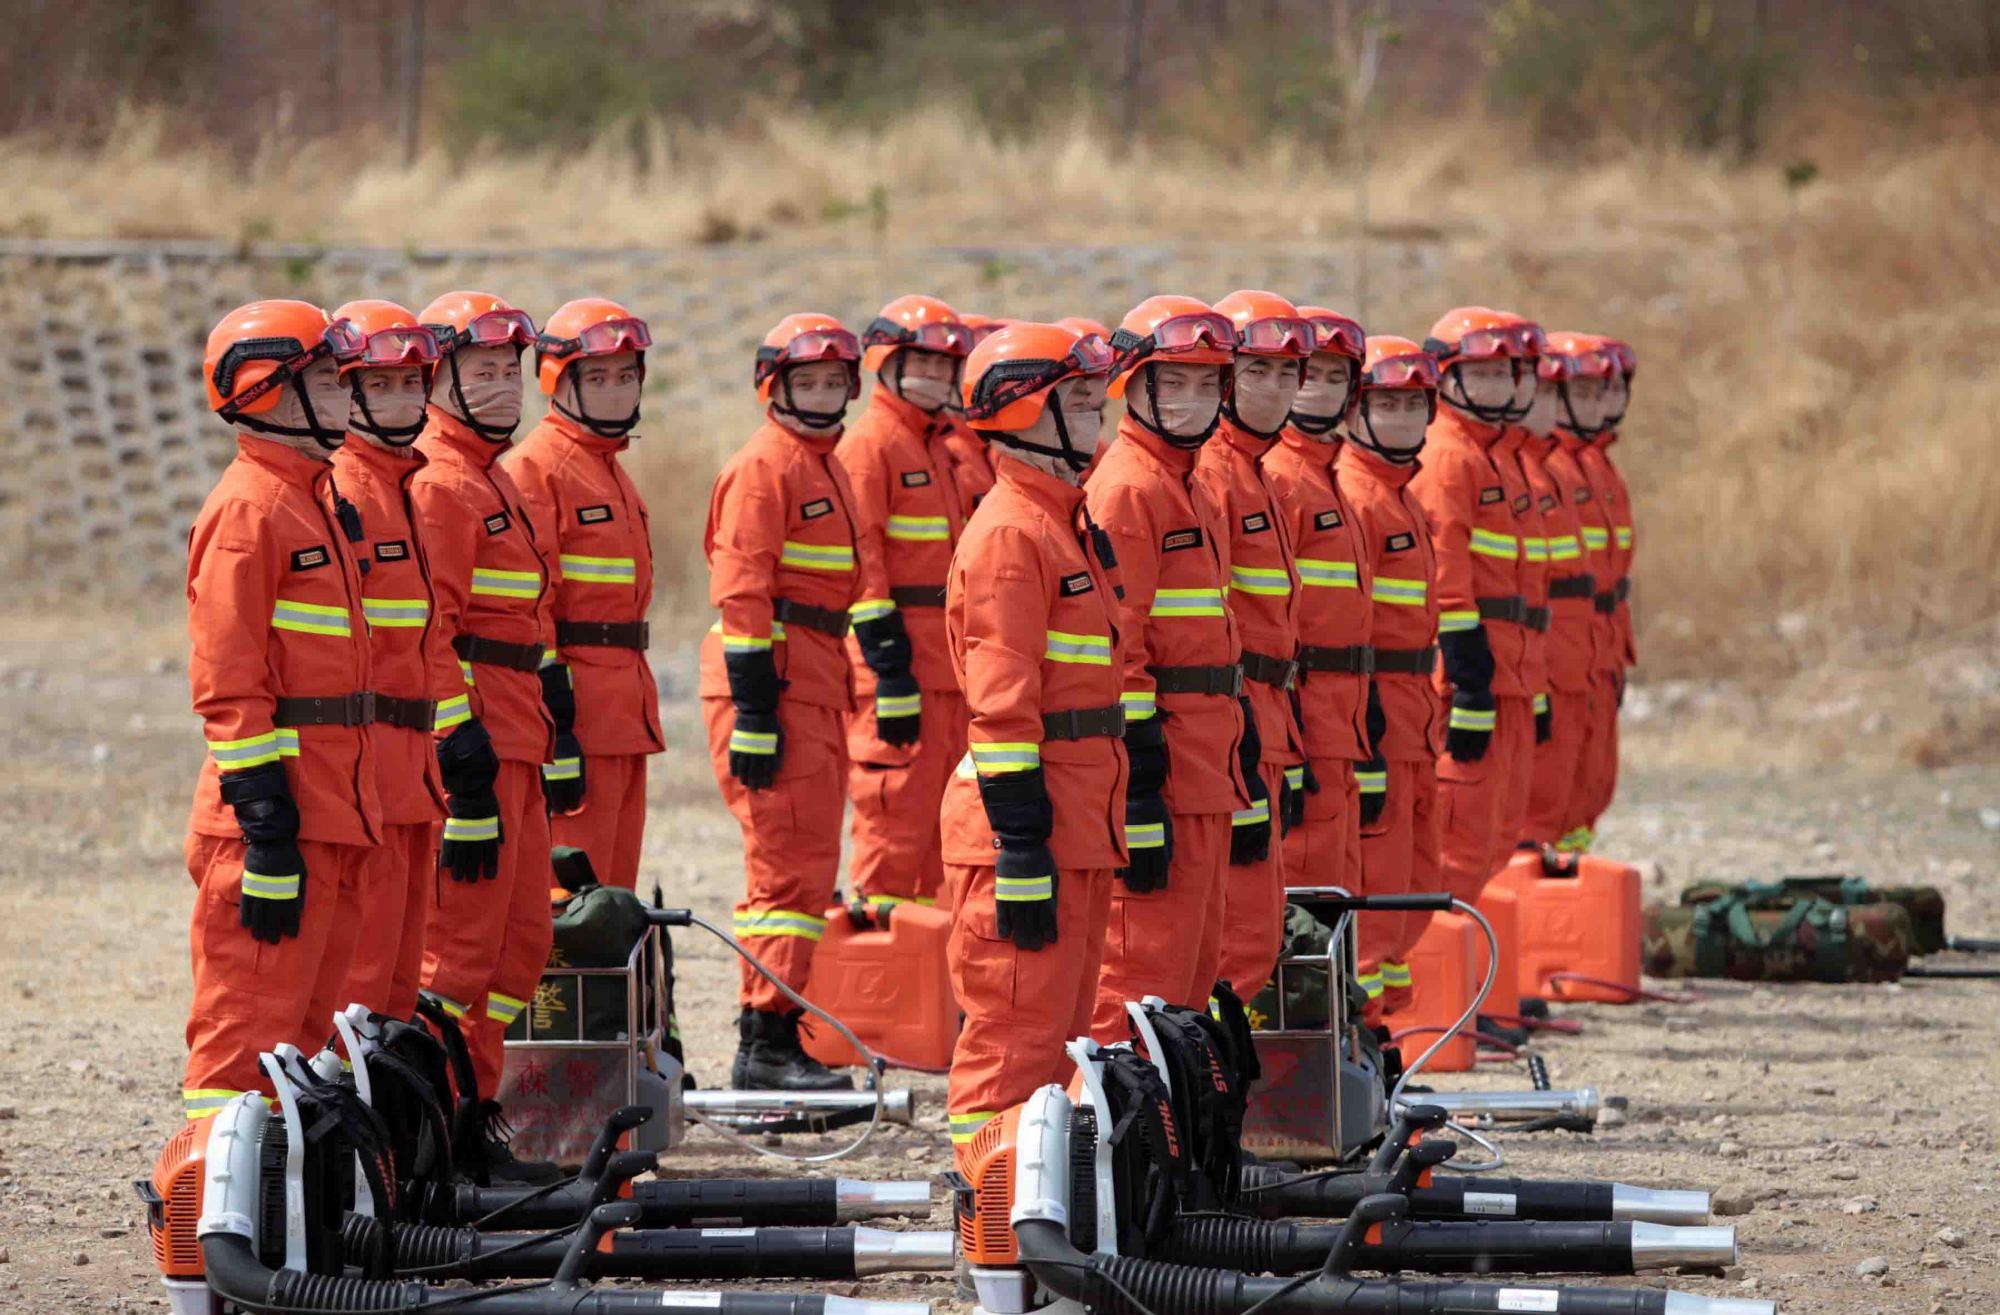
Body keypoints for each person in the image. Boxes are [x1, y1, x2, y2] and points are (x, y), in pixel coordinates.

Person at [182, 300, 379, 1121]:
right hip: (277, 820)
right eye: (331, 379)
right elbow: (229, 684)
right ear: (270, 390)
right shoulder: (251, 509)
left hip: (330, 811)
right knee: (245, 1035)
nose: (347, 393)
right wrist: (265, 825)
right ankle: (211, 1233)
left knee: (300, 1036)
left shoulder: (315, 500)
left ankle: (283, 1220)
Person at [938, 321, 1125, 1161]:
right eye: (1080, 400)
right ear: (1025, 413)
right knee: (1011, 1040)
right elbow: (1003, 707)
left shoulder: (1062, 521)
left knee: (1054, 1040)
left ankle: (1030, 1213)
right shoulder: (1014, 534)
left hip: (1073, 821)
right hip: (1029, 828)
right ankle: (987, 1219)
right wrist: (1020, 845)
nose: (1099, 415)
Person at [701, 313, 879, 1089]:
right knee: (783, 868)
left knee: (808, 867)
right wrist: (756, 709)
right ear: (774, 388)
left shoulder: (823, 462)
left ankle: (776, 1027)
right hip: (773, 679)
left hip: (810, 672)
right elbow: (741, 593)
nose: (822, 395)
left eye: (834, 382)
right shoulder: (767, 466)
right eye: (807, 382)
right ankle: (762, 1040)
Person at [409, 291, 561, 1182]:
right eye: (484, 372)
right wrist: (457, 746)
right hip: (479, 751)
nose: (505, 387)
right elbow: (433, 634)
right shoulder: (440, 481)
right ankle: (427, 1136)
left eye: (512, 371)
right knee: (459, 952)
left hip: (519, 737)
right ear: (441, 379)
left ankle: (472, 1115)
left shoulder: (489, 473)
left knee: (521, 945)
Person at [1085, 294, 1252, 1032]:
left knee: (1192, 961)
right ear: (1136, 386)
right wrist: (1141, 774)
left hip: (1207, 754)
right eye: (1173, 382)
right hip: (1164, 762)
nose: (1192, 401)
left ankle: (1173, 1137)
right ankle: (1118, 1134)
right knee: (1143, 965)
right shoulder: (1127, 486)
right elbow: (1120, 641)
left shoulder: (1193, 483)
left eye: (1208, 383)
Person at [508, 299, 665, 890]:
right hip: (577, 708)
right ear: (557, 383)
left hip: (623, 706)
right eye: (596, 377)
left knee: (614, 888)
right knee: (570, 892)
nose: (615, 391)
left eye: (626, 376)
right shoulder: (539, 469)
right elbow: (530, 605)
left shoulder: (607, 468)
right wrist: (557, 721)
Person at [327, 299, 448, 1020]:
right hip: (368, 761)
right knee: (363, 972)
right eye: (383, 386)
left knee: (400, 975)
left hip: (413, 765)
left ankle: (396, 1128)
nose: (404, 401)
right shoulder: (342, 489)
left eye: (413, 384)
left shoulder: (407, 488)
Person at [838, 295, 975, 909]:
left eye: (948, 367)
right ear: (885, 364)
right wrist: (889, 670)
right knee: (893, 828)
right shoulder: (871, 445)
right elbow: (862, 563)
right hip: (898, 670)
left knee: (943, 833)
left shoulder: (935, 447)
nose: (937, 377)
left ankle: (929, 992)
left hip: (944, 668)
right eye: (923, 363)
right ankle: (878, 985)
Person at [1196, 289, 1313, 999]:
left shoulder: (1258, 473)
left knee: (1254, 920)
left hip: (1265, 720)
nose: (1273, 390)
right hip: (1230, 724)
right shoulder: (1214, 471)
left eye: (1285, 374)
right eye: (1256, 372)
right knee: (1231, 927)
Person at [1409, 308, 1537, 923]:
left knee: (1495, 835)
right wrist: (1470, 684)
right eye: (1481, 373)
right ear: (1448, 378)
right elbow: (1445, 579)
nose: (1498, 387)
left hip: (1509, 674)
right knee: (1457, 844)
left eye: (1506, 373)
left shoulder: (1496, 456)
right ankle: (1441, 1005)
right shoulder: (1449, 457)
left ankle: (1468, 993)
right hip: (1468, 679)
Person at [1261, 307, 1382, 924]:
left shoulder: (1330, 476)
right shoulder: (1281, 476)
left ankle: (1350, 1017)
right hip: (1303, 710)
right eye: (1311, 376)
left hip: (1341, 709)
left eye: (1338, 379)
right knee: (1304, 880)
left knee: (1338, 876)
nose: (1322, 391)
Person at [1336, 336, 1444, 1016]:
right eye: (1387, 403)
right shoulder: (1359, 494)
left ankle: (1381, 1045)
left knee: (1412, 884)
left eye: (1414, 404)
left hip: (1412, 711)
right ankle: (1364, 1039)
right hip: (1374, 715)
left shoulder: (1399, 494)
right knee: (1374, 897)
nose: (1403, 418)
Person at [1510, 327, 1600, 850]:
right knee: (1532, 802)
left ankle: (1563, 877)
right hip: (1536, 651)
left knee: (1578, 785)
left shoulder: (1556, 469)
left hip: (1572, 648)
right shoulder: (1516, 470)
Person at [1547, 331, 1627, 851]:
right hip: (1560, 650)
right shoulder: (1547, 466)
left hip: (1598, 647)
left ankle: (1570, 884)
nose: (1601, 402)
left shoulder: (1596, 465)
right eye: (1586, 391)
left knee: (1589, 782)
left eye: (1608, 390)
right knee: (1550, 787)